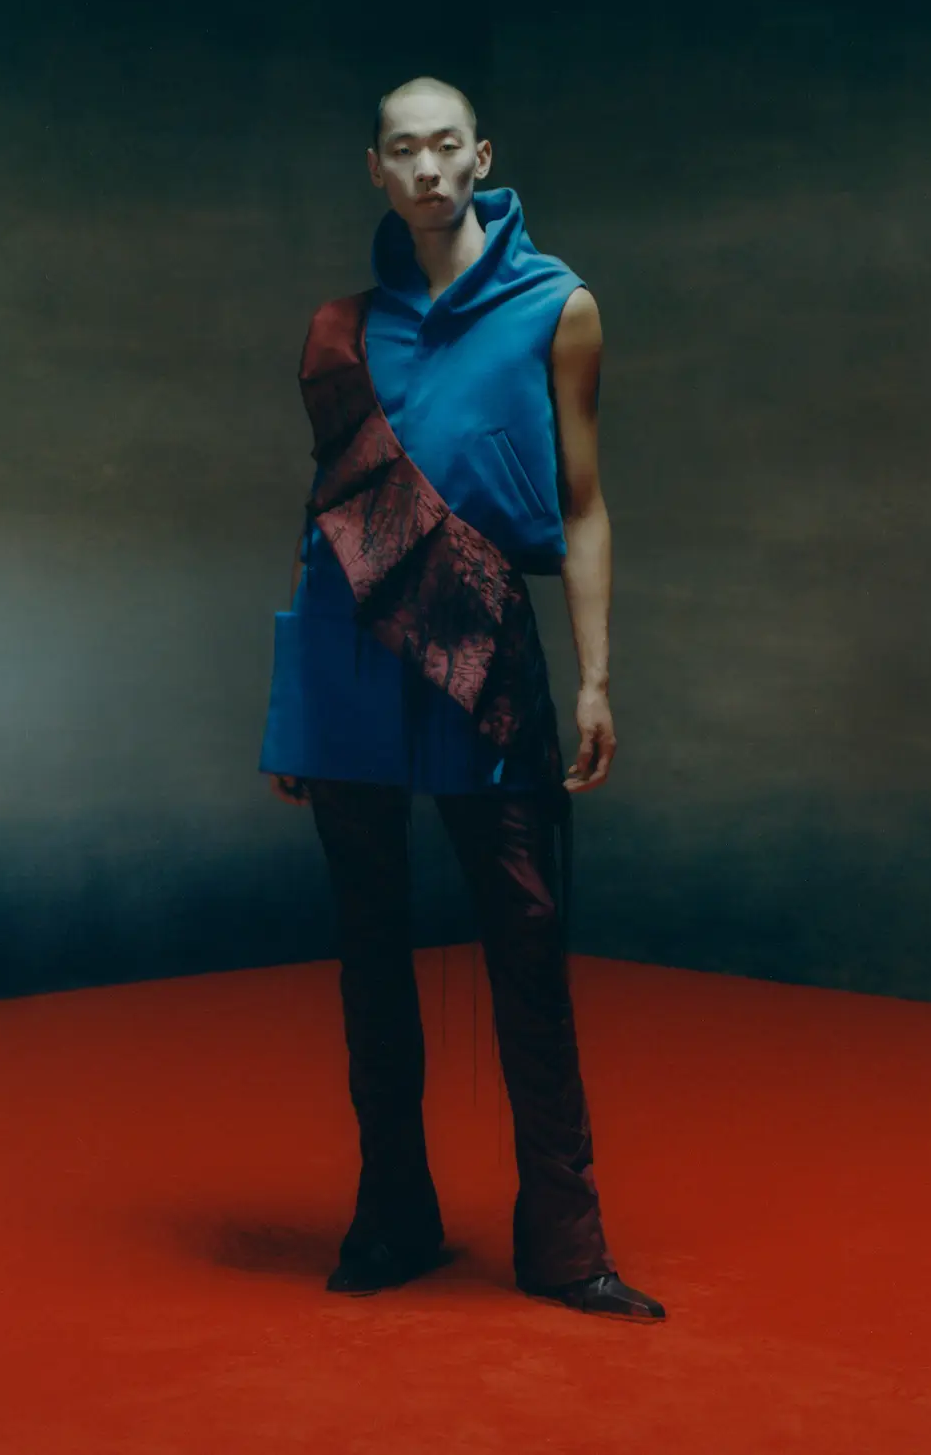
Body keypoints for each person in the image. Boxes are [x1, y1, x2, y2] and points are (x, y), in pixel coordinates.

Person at [260, 76, 665, 1321]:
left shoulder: (558, 305)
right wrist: (293, 703)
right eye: (404, 150)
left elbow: (583, 504)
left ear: (479, 155)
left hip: (484, 647)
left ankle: (564, 1240)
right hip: (347, 659)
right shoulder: (341, 329)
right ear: (375, 169)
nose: (427, 168)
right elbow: (326, 520)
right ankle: (393, 1214)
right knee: (367, 947)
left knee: (527, 940)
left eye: (445, 146)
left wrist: (594, 675)